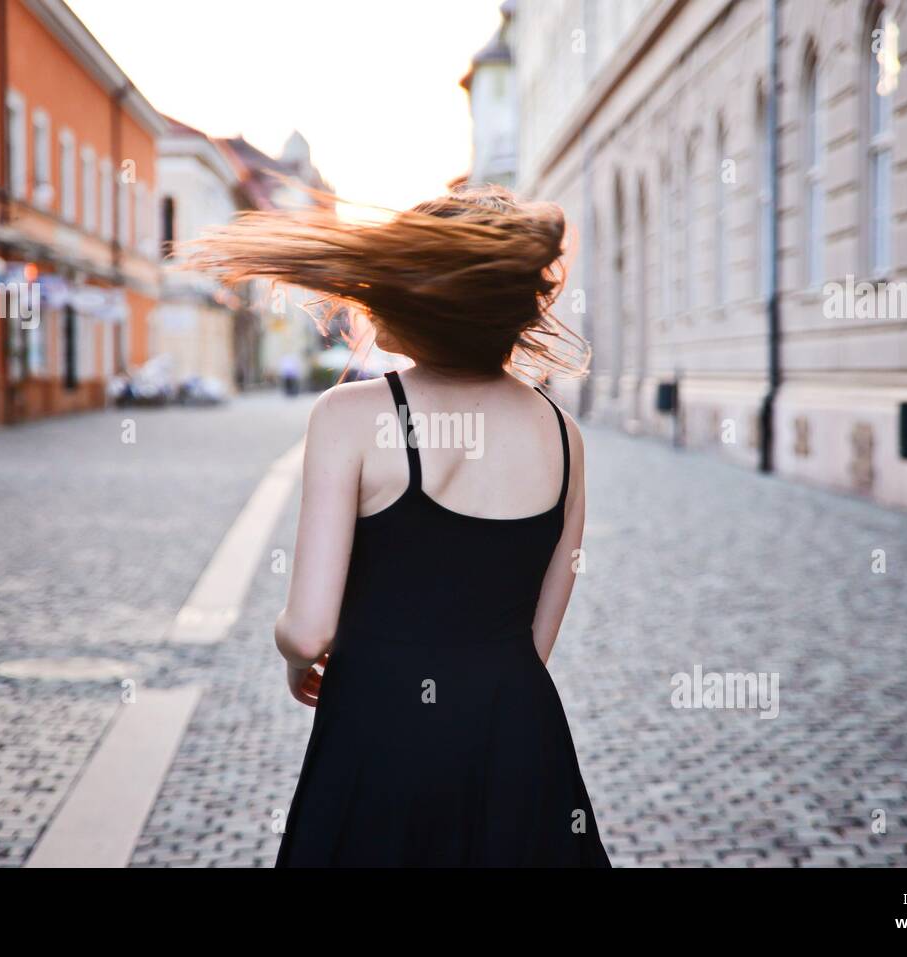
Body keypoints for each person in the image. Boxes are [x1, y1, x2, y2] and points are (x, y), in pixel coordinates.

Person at [192, 185, 609, 867]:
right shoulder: (563, 435)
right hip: (518, 744)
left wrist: (296, 656)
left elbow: (308, 628)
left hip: (380, 739)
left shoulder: (349, 415)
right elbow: (535, 640)